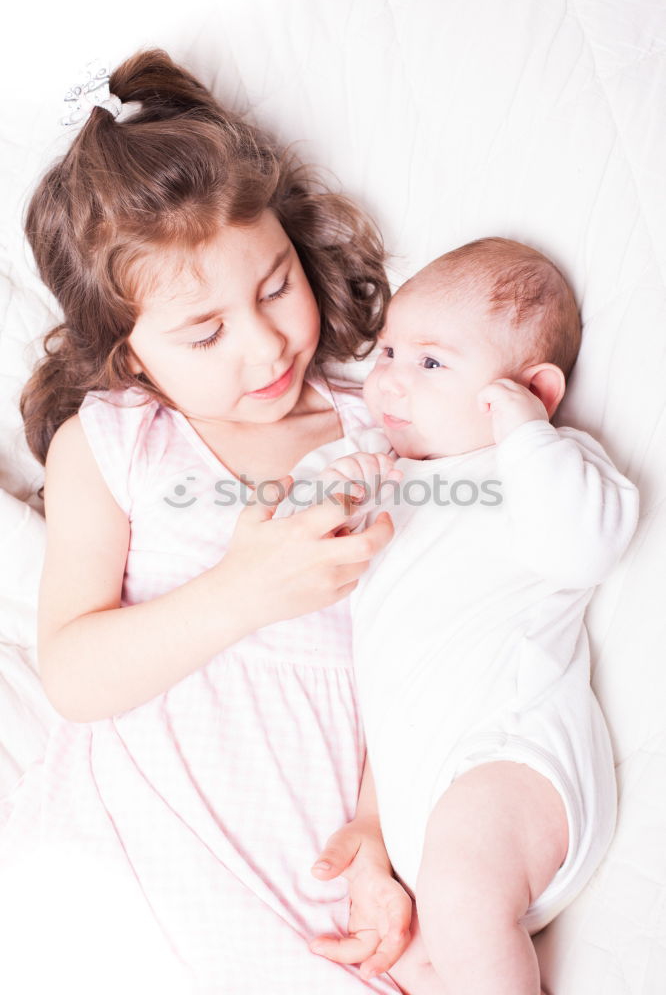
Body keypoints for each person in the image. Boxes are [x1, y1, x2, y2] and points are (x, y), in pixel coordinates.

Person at [0, 48, 416, 994]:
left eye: (275, 285)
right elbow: (71, 670)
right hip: (117, 858)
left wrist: (383, 829)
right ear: (133, 358)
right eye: (204, 332)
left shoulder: (381, 428)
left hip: (310, 884)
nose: (267, 342)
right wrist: (244, 591)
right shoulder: (117, 445)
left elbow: (421, 653)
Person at [295, 239, 639, 994]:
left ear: (531, 390)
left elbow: (586, 547)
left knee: (459, 900)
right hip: (428, 804)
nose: (388, 378)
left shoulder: (544, 467)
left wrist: (524, 434)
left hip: (512, 757)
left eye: (430, 363)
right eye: (386, 351)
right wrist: (333, 489)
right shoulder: (386, 476)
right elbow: (298, 549)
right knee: (423, 951)